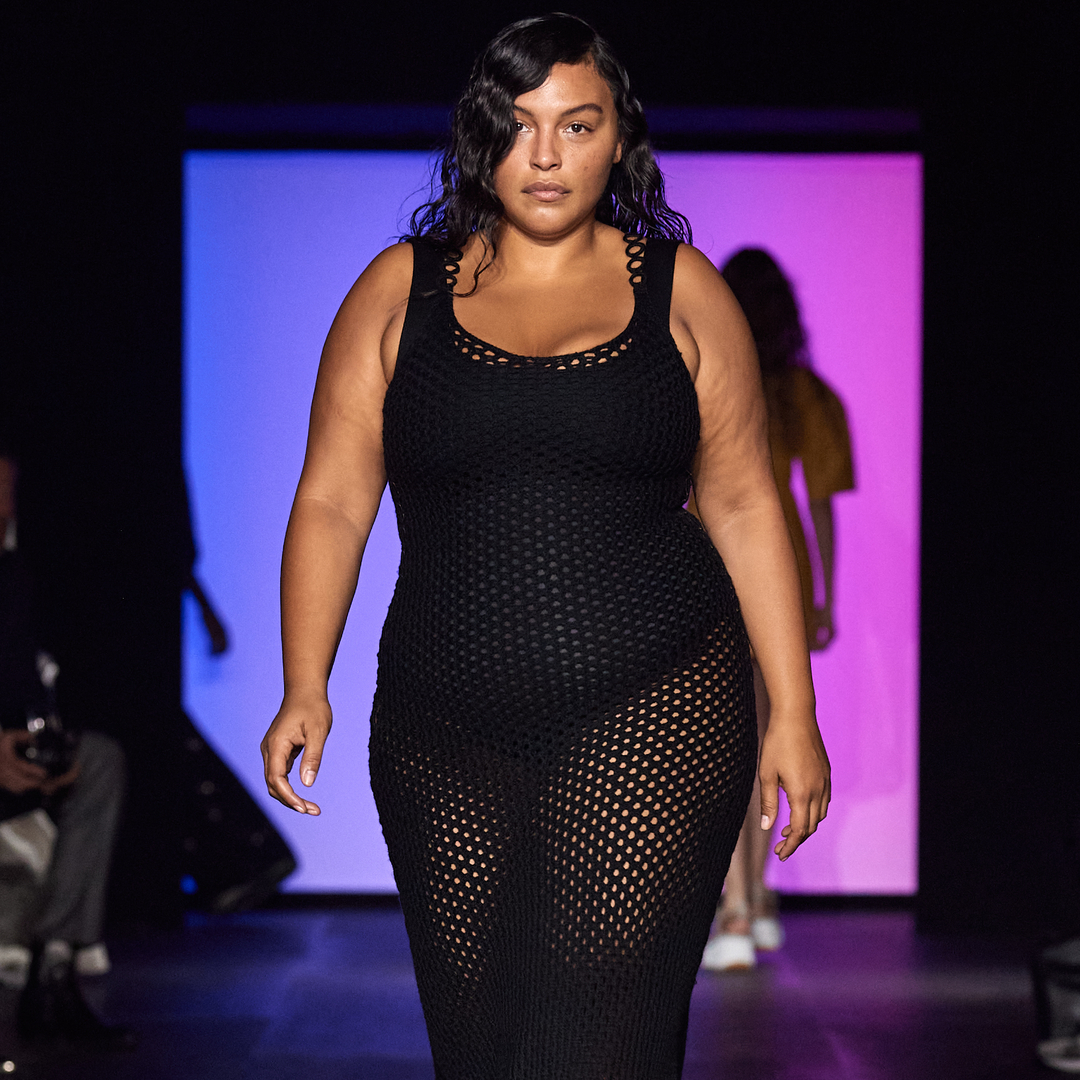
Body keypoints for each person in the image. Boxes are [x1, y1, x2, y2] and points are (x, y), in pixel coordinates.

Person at [260, 15, 830, 1078]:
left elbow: (747, 502)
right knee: (482, 1048)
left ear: (620, 139)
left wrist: (793, 711)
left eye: (578, 124)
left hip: (652, 707)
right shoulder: (397, 291)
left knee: (598, 1043)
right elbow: (333, 500)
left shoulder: (683, 291)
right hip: (442, 726)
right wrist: (305, 681)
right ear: (481, 136)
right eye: (518, 125)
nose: (548, 155)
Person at [700, 248, 855, 971]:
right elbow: (819, 504)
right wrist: (823, 595)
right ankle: (756, 897)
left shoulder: (707, 376)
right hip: (776, 568)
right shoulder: (802, 394)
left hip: (712, 563)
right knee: (762, 735)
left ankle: (737, 906)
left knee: (728, 744)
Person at [0, 450, 135, 1051]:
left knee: (98, 759)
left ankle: (53, 962)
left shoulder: (14, 578)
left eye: (9, 495)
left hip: (11, 752)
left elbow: (27, 682)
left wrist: (45, 744)